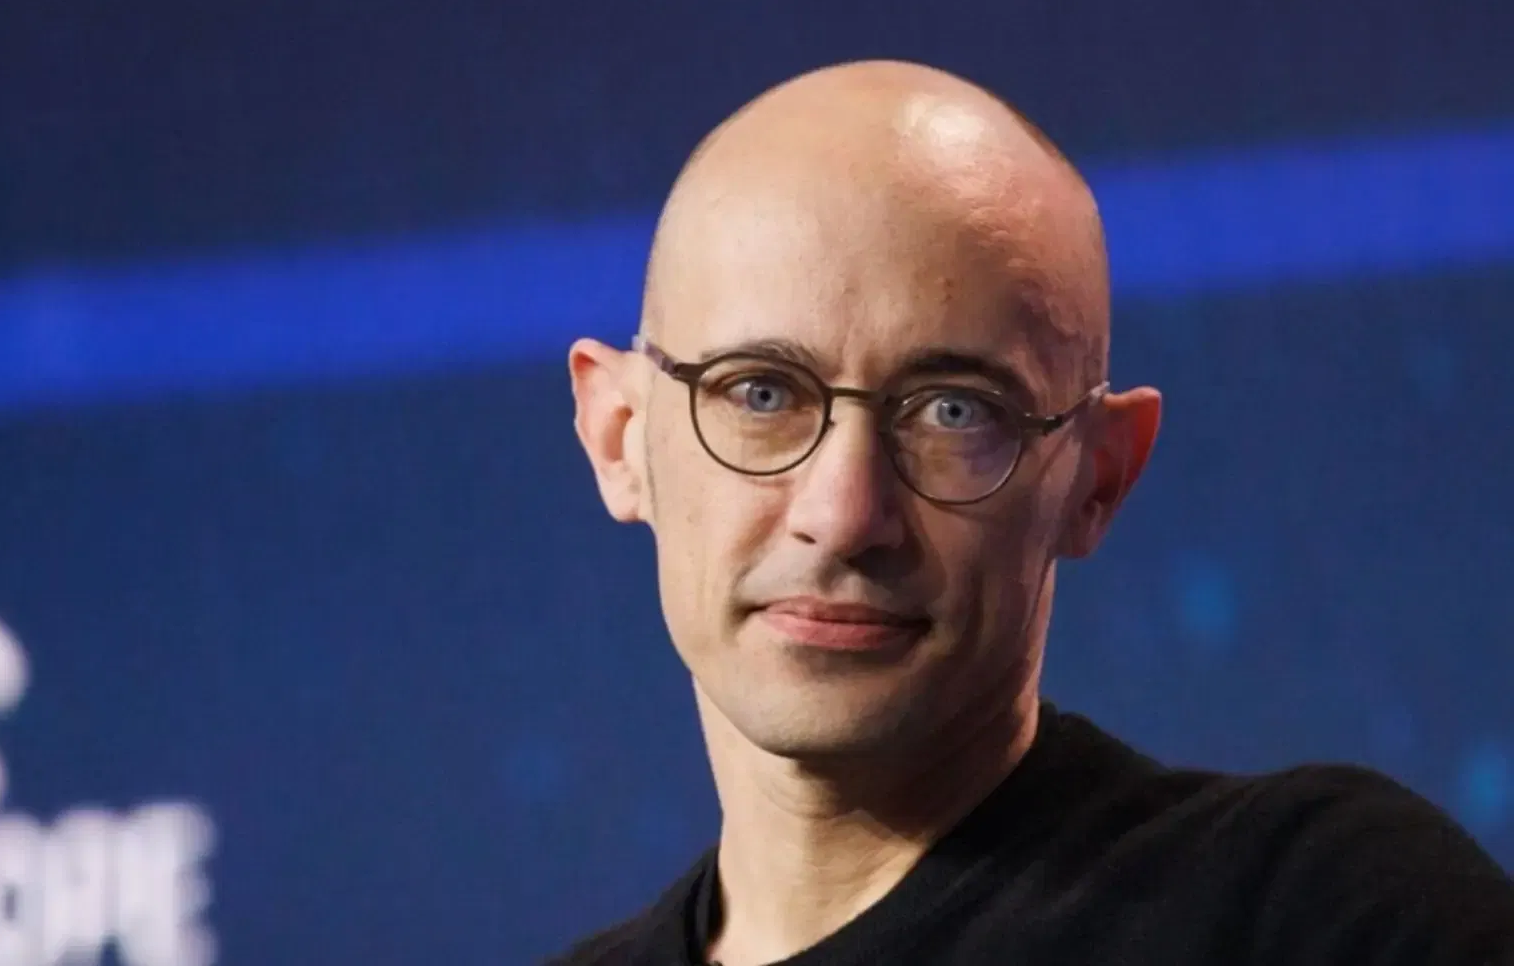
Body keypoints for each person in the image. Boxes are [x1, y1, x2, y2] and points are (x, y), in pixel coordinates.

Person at [551, 60, 1514, 966]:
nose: (843, 514)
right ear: (619, 437)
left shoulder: (1316, 917)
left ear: (1099, 478)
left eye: (953, 412)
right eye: (760, 394)